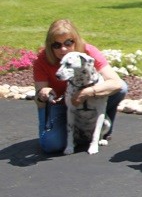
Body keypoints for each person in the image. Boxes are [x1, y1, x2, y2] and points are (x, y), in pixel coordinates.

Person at [33, 19, 127, 153]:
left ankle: (100, 128)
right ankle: (76, 130)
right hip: (59, 105)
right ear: (49, 45)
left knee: (121, 89)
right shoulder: (42, 60)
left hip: (87, 99)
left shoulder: (87, 52)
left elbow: (116, 83)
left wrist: (86, 92)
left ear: (75, 41)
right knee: (51, 145)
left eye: (68, 43)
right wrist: (43, 94)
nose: (63, 49)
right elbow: (40, 103)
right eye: (56, 45)